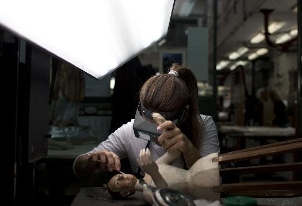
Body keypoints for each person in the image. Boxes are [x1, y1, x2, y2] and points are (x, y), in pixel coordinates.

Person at [73, 63, 220, 179]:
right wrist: (91, 161)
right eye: (146, 121)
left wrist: (188, 149)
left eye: (159, 123)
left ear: (185, 114)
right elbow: (79, 167)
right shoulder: (131, 130)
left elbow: (210, 182)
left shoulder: (203, 125)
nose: (153, 130)